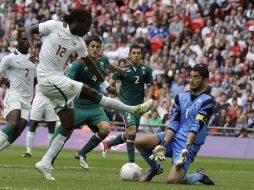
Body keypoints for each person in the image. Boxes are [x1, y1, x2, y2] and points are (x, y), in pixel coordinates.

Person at [25, 9, 153, 180]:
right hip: (47, 78)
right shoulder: (53, 25)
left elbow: (91, 64)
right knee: (89, 91)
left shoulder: (78, 42)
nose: (87, 31)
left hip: (55, 79)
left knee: (68, 124)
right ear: (77, 21)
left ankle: (45, 162)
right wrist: (32, 49)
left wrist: (106, 84)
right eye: (86, 26)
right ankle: (133, 110)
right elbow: (29, 29)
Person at [135, 64, 215, 185]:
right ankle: (155, 169)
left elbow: (196, 126)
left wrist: (187, 148)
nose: (192, 80)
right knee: (140, 143)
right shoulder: (180, 97)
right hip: (174, 137)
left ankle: (199, 176)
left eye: (196, 77)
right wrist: (163, 144)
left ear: (206, 81)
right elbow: (174, 123)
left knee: (172, 180)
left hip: (189, 144)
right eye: (191, 76)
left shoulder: (208, 101)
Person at [67, 35, 127, 169]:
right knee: (66, 130)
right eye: (92, 46)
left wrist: (120, 70)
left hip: (94, 105)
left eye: (97, 47)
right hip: (78, 104)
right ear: (86, 48)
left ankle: (82, 153)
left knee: (105, 129)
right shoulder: (79, 63)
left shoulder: (102, 60)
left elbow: (109, 65)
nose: (95, 49)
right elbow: (67, 79)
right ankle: (50, 159)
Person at [102, 44, 153, 163]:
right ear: (129, 55)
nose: (136, 55)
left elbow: (150, 86)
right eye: (134, 53)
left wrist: (148, 99)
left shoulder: (146, 70)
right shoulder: (122, 69)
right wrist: (115, 97)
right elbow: (110, 84)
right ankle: (131, 164)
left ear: (141, 55)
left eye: (138, 53)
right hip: (125, 105)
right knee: (132, 130)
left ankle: (108, 144)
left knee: (130, 134)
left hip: (139, 107)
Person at [0, 30, 36, 152]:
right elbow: (0, 75)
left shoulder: (34, 59)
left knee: (18, 131)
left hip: (27, 99)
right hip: (14, 95)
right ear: (18, 41)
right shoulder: (9, 58)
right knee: (13, 123)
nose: (26, 42)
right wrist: (4, 80)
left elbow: (35, 80)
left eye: (28, 40)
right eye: (24, 39)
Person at [22, 85, 59, 158]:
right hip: (39, 98)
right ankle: (28, 151)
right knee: (33, 124)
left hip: (52, 99)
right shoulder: (37, 73)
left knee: (51, 127)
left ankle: (49, 153)